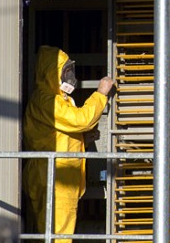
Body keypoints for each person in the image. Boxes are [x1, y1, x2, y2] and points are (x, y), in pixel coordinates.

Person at [23, 45, 115, 242]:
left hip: (60, 178)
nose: (70, 76)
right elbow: (81, 120)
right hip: (54, 178)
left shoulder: (59, 100)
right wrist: (101, 94)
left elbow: (57, 135)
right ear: (51, 72)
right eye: (65, 71)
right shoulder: (47, 100)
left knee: (57, 233)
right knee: (58, 236)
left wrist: (82, 140)